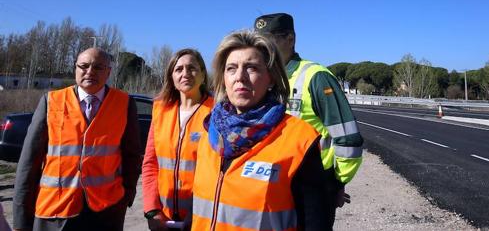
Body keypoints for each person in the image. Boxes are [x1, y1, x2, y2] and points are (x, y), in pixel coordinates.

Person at [191, 30, 328, 230]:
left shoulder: (300, 139)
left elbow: (315, 223)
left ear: (271, 78)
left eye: (251, 68)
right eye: (231, 68)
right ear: (223, 78)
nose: (240, 77)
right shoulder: (208, 131)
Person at [12, 47, 141, 231]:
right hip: (55, 213)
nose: (90, 72)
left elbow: (132, 155)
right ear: (76, 69)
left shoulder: (124, 103)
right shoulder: (51, 101)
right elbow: (29, 162)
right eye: (84, 66)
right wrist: (21, 218)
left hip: (106, 213)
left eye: (98, 67)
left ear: (109, 72)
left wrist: (127, 195)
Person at [254, 13, 364, 228]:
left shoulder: (315, 77)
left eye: (270, 40)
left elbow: (348, 139)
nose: (263, 48)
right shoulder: (263, 78)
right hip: (270, 184)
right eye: (259, 43)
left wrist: (335, 183)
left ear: (290, 39)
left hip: (311, 187)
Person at [142, 48, 214, 230]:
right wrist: (152, 210)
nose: (185, 73)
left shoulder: (217, 112)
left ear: (203, 74)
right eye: (179, 69)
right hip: (163, 219)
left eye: (192, 68)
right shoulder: (160, 110)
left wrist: (198, 212)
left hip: (202, 217)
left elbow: (217, 173)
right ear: (171, 77)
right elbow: (150, 164)